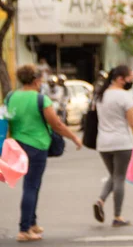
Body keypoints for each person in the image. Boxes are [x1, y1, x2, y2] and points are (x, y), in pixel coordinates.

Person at [7, 64, 82, 242]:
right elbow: (57, 124)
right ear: (35, 81)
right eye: (40, 80)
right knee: (31, 186)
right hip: (37, 147)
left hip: (17, 146)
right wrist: (74, 138)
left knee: (33, 185)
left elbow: (7, 119)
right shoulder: (41, 100)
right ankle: (24, 229)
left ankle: (32, 223)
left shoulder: (10, 96)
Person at [93, 65, 133, 227]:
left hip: (103, 143)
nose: (130, 82)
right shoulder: (125, 96)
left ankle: (100, 200)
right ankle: (117, 216)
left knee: (114, 175)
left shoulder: (101, 95)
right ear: (120, 79)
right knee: (119, 178)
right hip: (122, 142)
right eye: (130, 79)